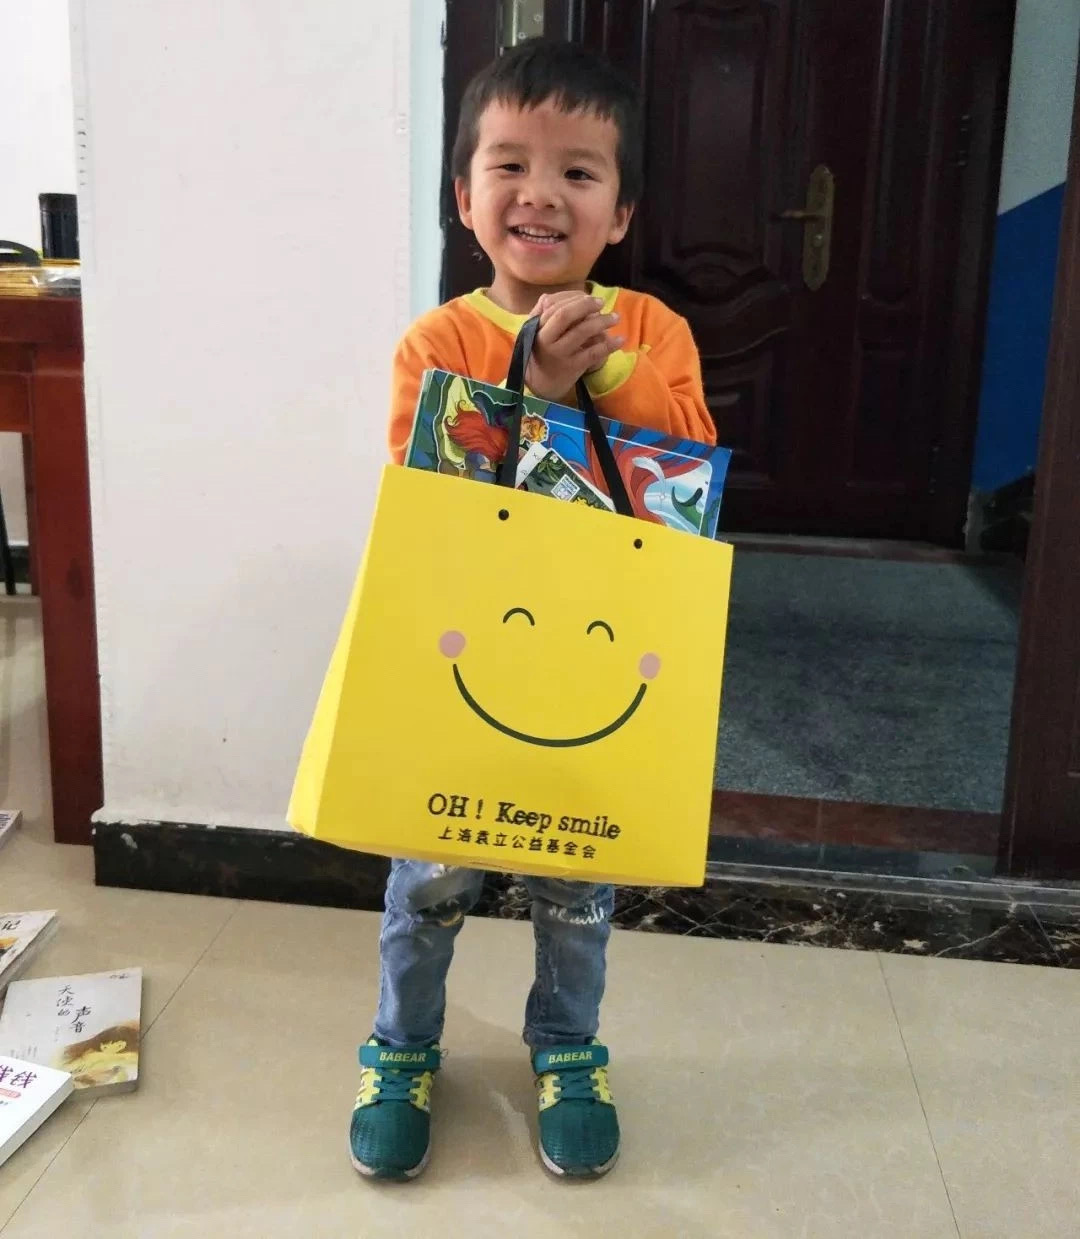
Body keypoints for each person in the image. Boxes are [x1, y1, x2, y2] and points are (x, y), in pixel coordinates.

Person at [351, 38, 716, 1184]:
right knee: (429, 879)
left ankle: (567, 1045)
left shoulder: (653, 331)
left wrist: (605, 373)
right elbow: (425, 495)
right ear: (465, 198)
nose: (540, 193)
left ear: (621, 212)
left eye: (578, 171)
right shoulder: (437, 343)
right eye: (508, 164)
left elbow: (687, 471)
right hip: (464, 663)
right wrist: (528, 386)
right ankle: (401, 1046)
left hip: (593, 671)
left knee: (578, 884)